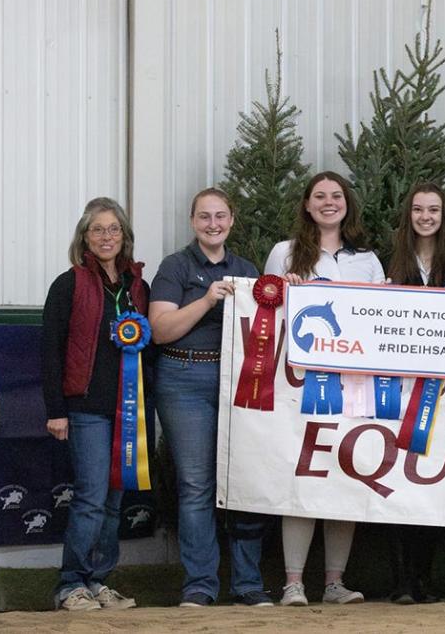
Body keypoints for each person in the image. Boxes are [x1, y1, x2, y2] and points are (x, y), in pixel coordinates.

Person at [263, 171, 384, 606]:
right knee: (301, 477)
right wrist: (281, 289)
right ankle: (293, 581)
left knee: (344, 477)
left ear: (346, 203)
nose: (329, 202)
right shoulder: (285, 252)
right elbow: (264, 313)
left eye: (336, 195)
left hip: (353, 386)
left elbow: (380, 319)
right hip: (299, 384)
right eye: (320, 196)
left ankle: (334, 582)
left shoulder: (367, 259)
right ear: (307, 205)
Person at [148, 188, 271, 607]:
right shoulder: (175, 266)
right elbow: (160, 329)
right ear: (192, 221)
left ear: (232, 220)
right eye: (205, 217)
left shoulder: (247, 268)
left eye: (220, 216)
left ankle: (248, 584)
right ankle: (200, 584)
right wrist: (205, 299)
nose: (213, 224)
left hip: (238, 379)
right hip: (183, 376)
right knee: (196, 484)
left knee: (243, 482)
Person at [42, 197, 150, 611]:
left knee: (113, 500)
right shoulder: (68, 283)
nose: (106, 237)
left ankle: (98, 581)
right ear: (84, 237)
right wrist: (56, 409)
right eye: (98, 230)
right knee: (90, 497)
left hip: (126, 409)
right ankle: (70, 585)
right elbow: (50, 350)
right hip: (84, 408)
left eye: (114, 229)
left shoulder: (138, 287)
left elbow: (146, 351)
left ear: (124, 237)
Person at [382, 183, 445, 605]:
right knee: (397, 480)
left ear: (444, 216)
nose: (426, 216)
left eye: (434, 210)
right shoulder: (388, 263)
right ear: (408, 215)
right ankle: (402, 581)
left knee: (432, 482)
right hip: (399, 387)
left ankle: (424, 578)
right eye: (418, 209)